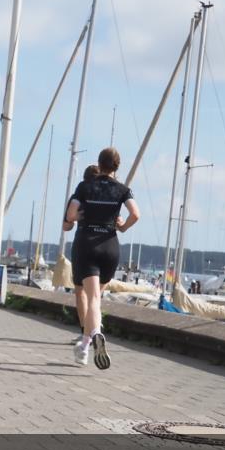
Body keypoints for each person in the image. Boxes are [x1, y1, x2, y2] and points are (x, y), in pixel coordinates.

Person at [64, 148, 140, 370]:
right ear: (117, 167)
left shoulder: (85, 187)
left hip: (87, 244)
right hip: (110, 247)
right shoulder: (122, 190)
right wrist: (123, 227)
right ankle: (85, 346)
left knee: (93, 298)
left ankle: (95, 334)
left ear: (100, 163)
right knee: (97, 297)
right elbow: (136, 213)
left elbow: (70, 215)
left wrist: (77, 216)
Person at [62, 164, 100, 363]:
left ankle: (86, 333)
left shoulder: (79, 193)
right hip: (106, 247)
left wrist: (75, 218)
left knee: (81, 292)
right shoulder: (107, 193)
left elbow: (66, 225)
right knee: (96, 295)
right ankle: (93, 333)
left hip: (83, 245)